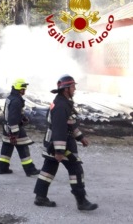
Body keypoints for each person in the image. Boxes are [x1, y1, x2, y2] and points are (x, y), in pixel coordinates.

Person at [33, 75, 98, 211]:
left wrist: (81, 138)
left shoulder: (64, 102)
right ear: (66, 89)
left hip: (54, 142)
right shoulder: (61, 105)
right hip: (60, 143)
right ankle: (81, 201)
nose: (75, 89)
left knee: (48, 170)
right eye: (73, 87)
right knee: (76, 169)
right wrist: (59, 151)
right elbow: (60, 129)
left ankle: (40, 197)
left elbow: (71, 124)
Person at [0, 78, 40, 176]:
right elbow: (13, 117)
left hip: (7, 127)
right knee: (23, 147)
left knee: (7, 147)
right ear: (19, 88)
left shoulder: (11, 97)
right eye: (23, 87)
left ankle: (2, 168)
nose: (25, 89)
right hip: (14, 128)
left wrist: (23, 117)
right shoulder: (16, 101)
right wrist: (15, 133)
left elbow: (13, 114)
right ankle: (30, 170)